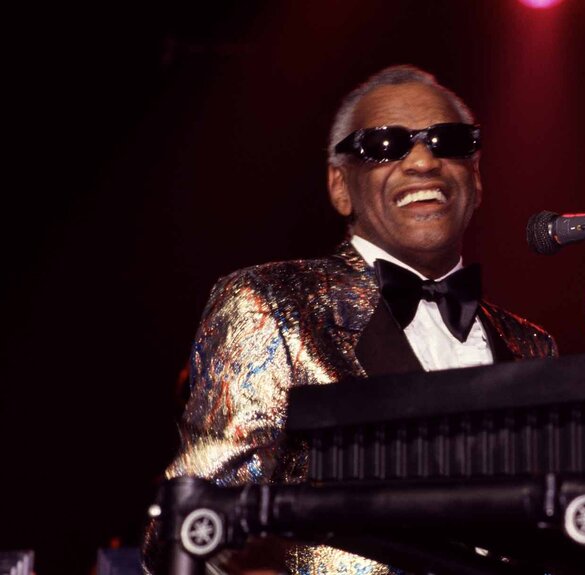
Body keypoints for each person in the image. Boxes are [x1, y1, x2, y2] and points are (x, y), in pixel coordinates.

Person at [144, 64, 557, 574]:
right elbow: (196, 524)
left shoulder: (533, 346)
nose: (423, 161)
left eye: (449, 141)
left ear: (476, 177)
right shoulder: (269, 304)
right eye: (385, 144)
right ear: (340, 186)